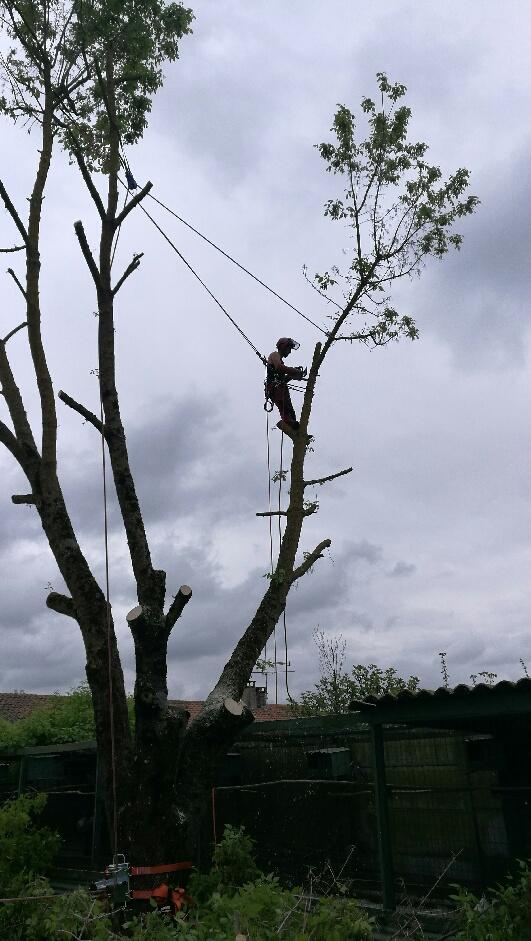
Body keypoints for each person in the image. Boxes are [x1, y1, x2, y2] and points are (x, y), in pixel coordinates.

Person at [266, 337, 307, 435]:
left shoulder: (280, 360)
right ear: (283, 347)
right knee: (286, 409)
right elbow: (279, 367)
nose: (290, 352)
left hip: (279, 388)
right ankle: (289, 423)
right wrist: (295, 371)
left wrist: (294, 375)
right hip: (276, 388)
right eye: (289, 349)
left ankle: (295, 430)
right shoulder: (275, 355)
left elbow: (283, 378)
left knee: (290, 412)